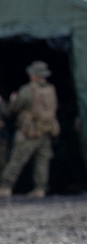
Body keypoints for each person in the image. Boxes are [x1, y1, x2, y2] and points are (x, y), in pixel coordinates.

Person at [0, 61, 61, 198]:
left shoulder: (28, 90)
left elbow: (13, 109)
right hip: (46, 131)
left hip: (29, 132)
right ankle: (40, 188)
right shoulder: (51, 90)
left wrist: (11, 101)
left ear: (33, 75)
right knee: (42, 161)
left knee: (17, 159)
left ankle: (5, 186)